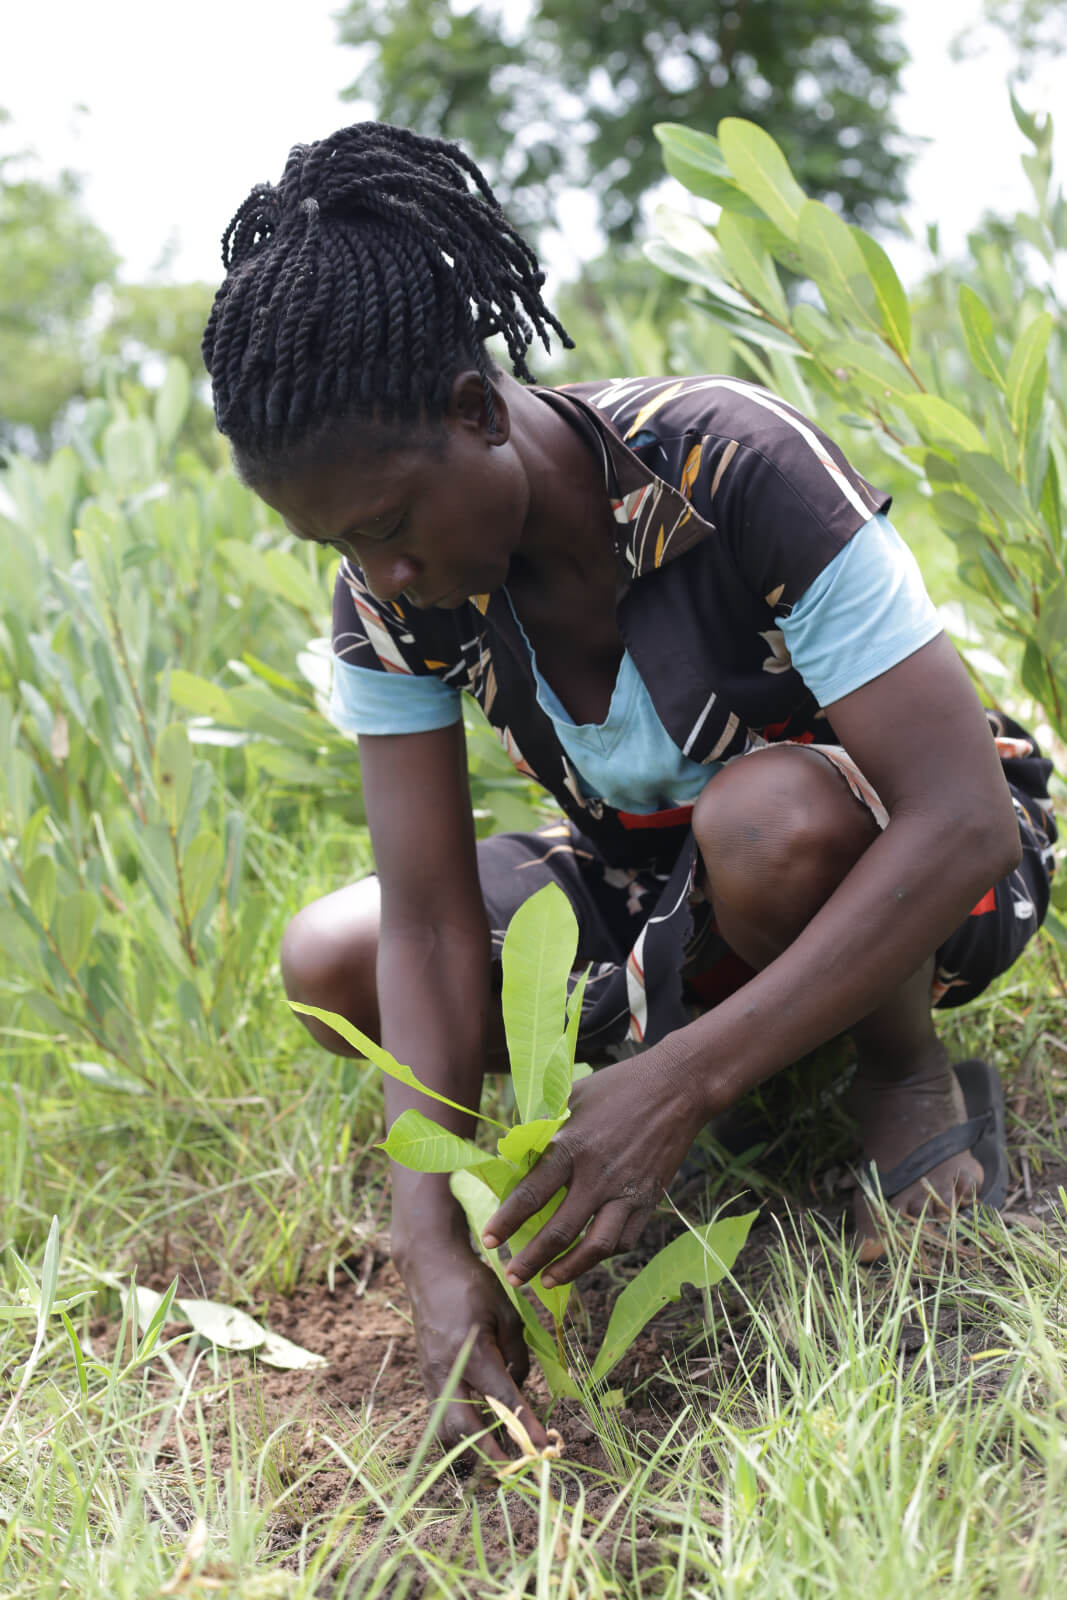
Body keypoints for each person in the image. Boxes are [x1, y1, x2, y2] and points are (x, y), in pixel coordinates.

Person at [201, 122, 1056, 1459]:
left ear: (479, 414)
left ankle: (895, 1077)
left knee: (769, 821)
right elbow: (428, 921)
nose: (382, 578)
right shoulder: (398, 601)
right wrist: (430, 1236)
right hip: (661, 884)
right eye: (341, 549)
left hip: (910, 866)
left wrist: (681, 1087)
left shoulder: (730, 464)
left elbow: (963, 820)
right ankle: (742, 1053)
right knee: (335, 957)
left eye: (386, 526)